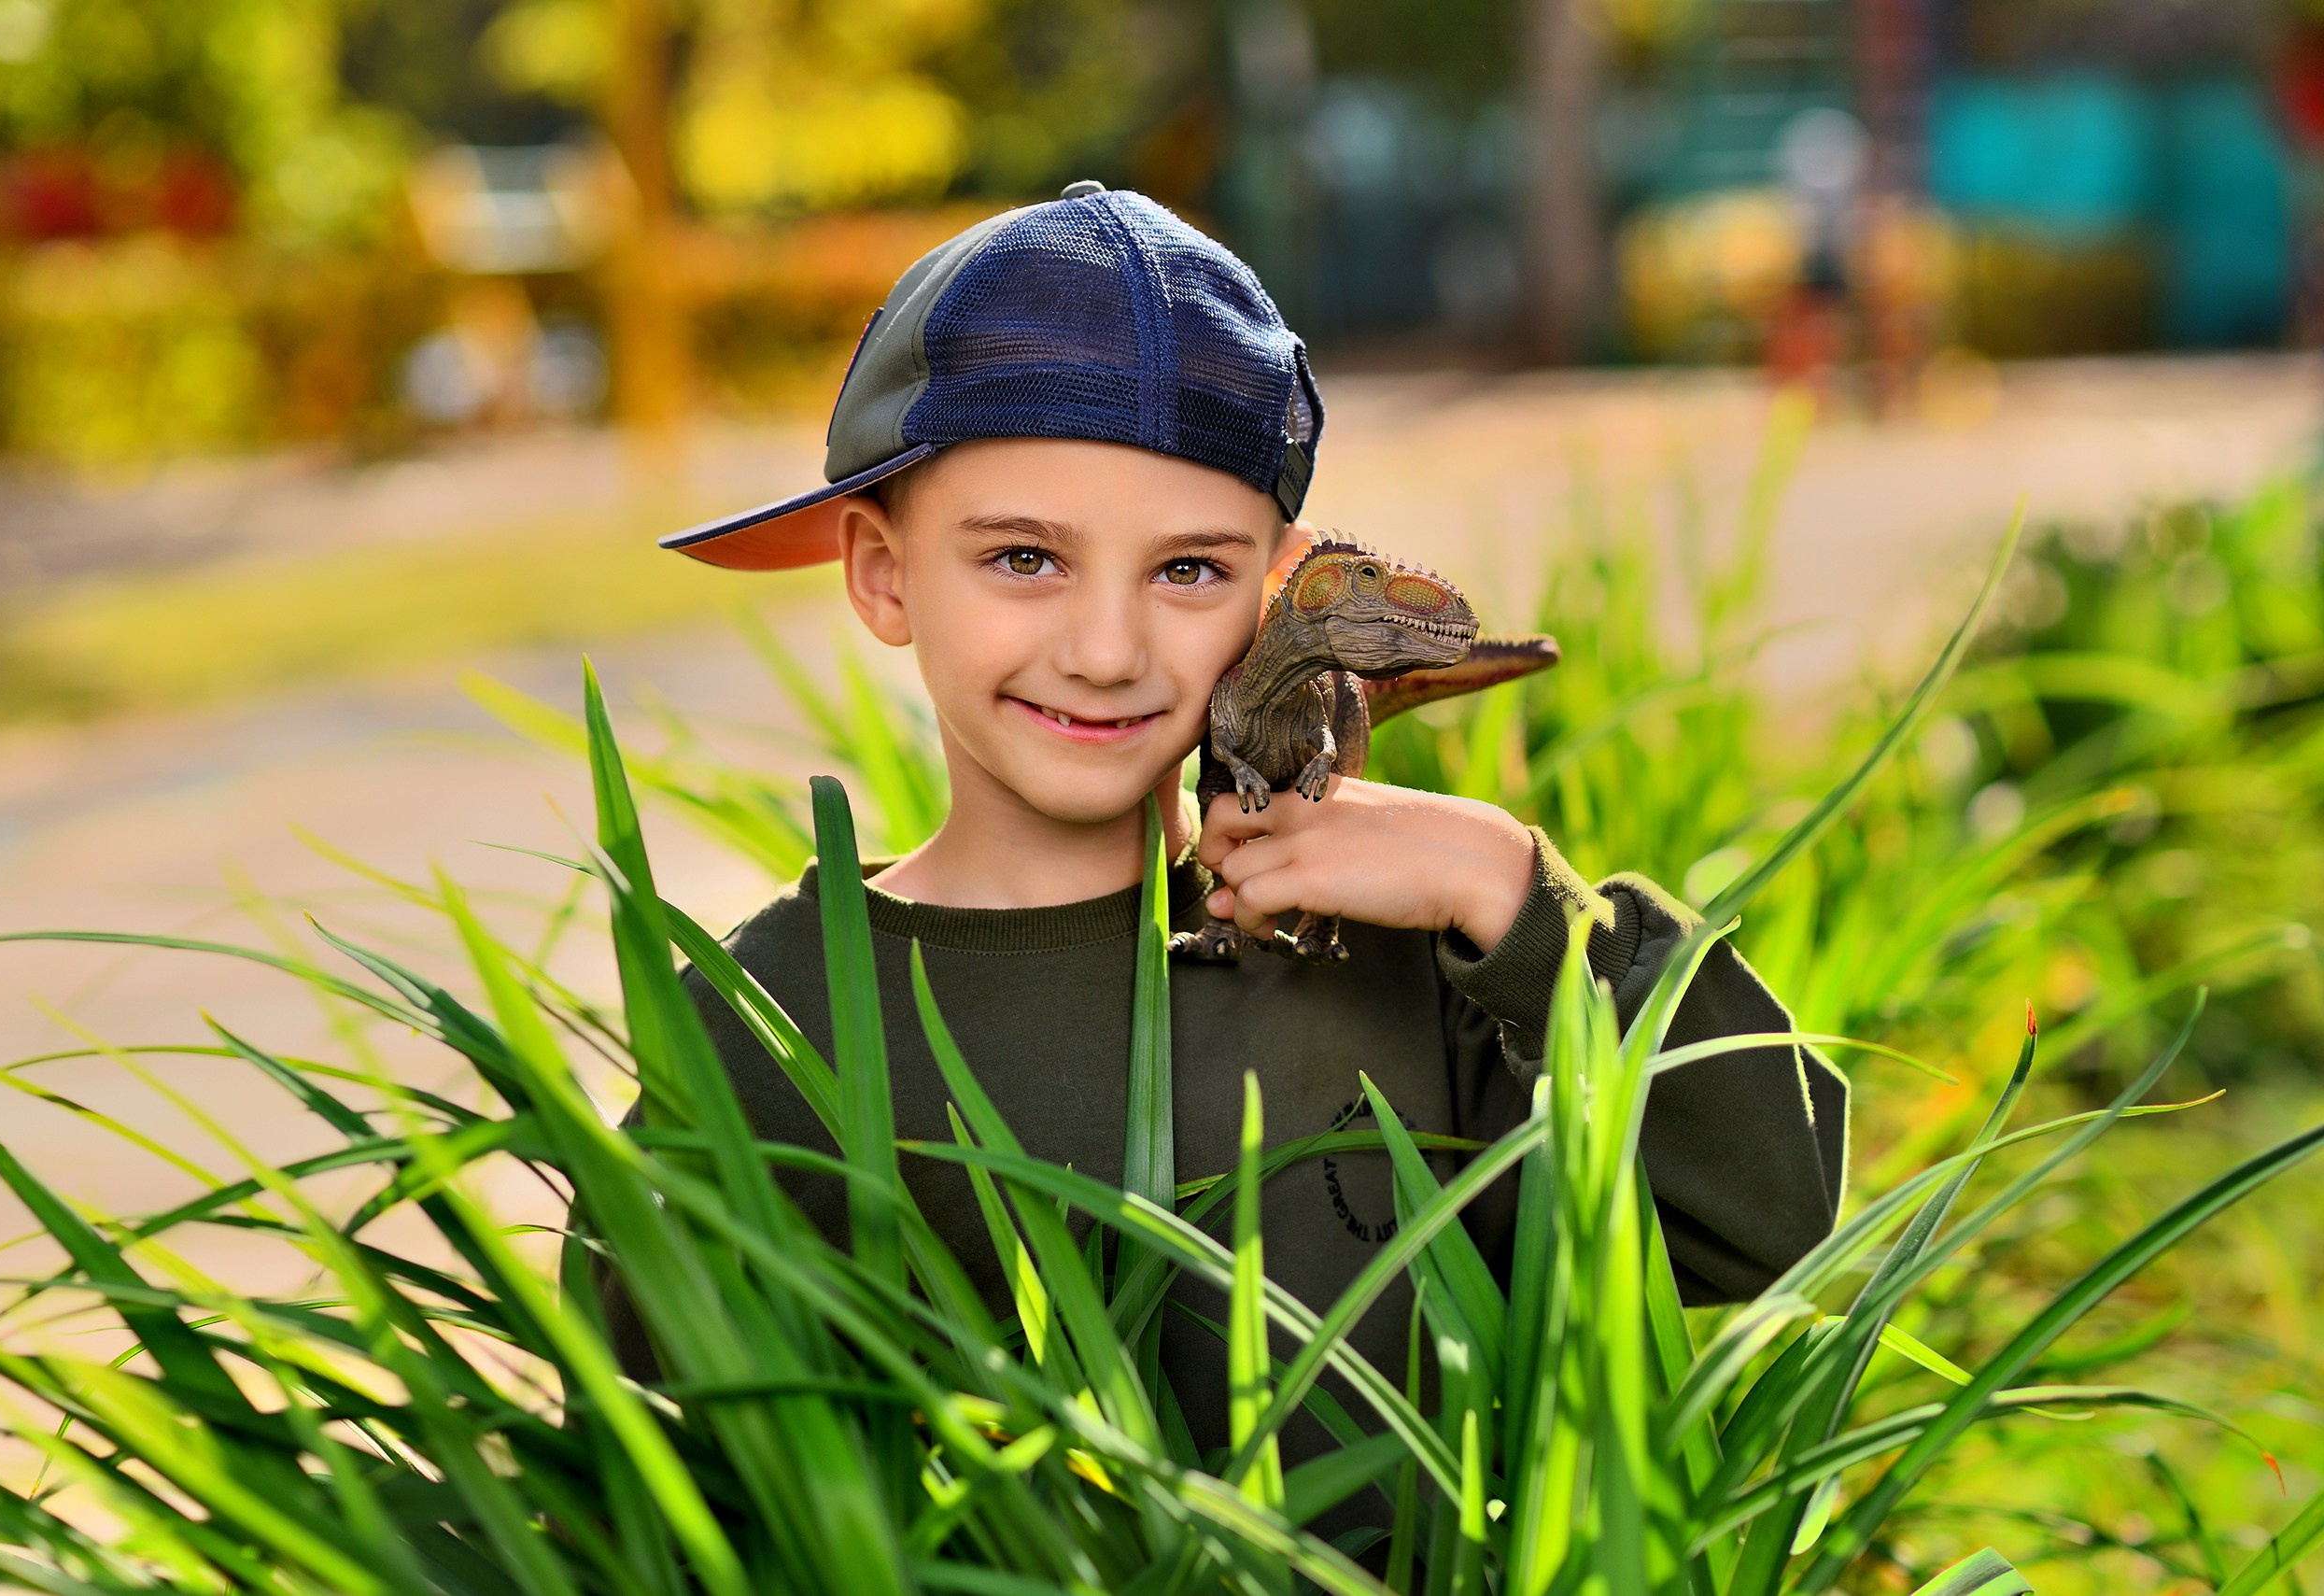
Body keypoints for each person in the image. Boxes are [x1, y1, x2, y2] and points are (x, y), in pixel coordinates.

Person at [611, 182, 1846, 1516]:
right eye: (1024, 557)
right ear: (884, 572)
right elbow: (658, 1492)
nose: (1104, 649)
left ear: (1281, 583)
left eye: (1188, 570)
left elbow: (1761, 1213)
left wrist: (1514, 895)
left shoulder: (1413, 964)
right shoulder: (774, 1025)